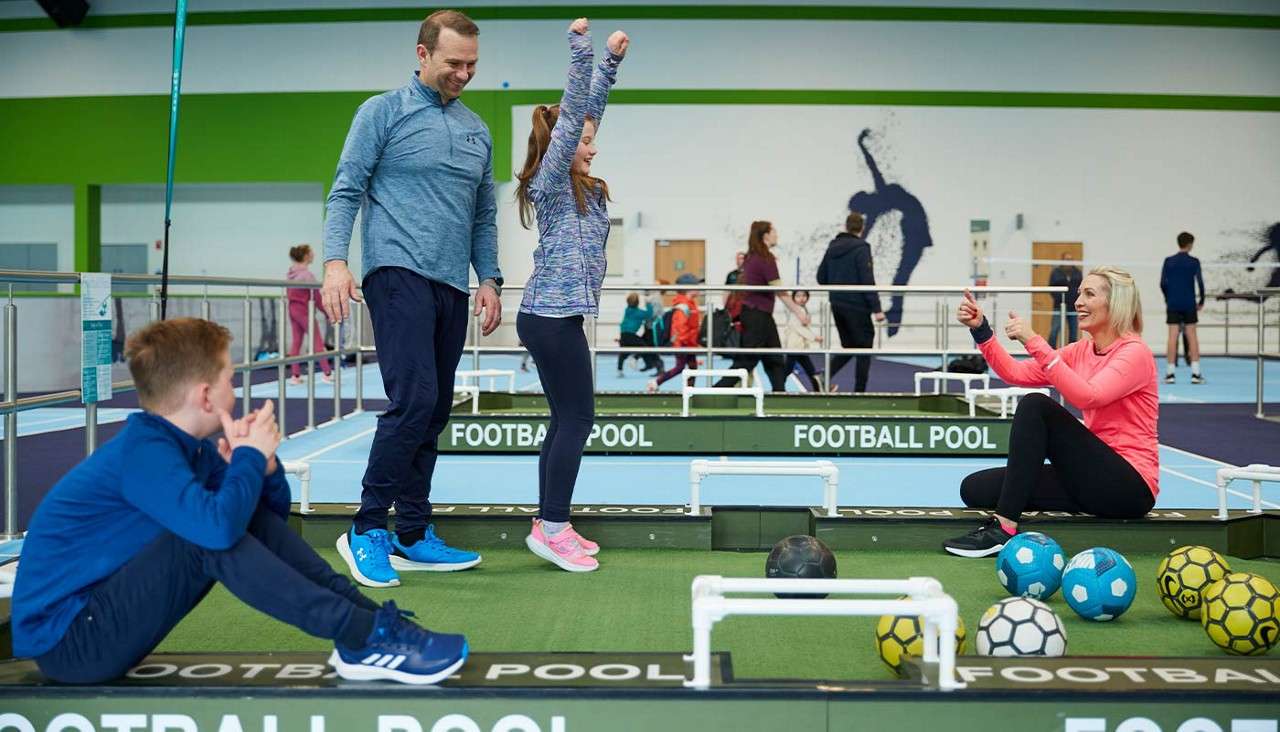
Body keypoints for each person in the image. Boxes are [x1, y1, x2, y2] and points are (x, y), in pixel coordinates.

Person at [10, 318, 468, 685]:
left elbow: (265, 521)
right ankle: (362, 634)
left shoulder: (187, 447)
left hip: (101, 619)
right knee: (205, 538)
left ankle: (370, 627)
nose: (237, 390)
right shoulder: (143, 452)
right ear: (206, 396)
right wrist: (247, 457)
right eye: (231, 379)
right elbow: (217, 535)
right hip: (70, 645)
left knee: (225, 522)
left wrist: (262, 469)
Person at [321, 9, 502, 588]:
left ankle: (413, 532)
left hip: (451, 285)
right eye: (454, 63)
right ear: (422, 54)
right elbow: (346, 189)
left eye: (472, 65)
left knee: (436, 407)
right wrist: (334, 262)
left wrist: (490, 277)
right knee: (414, 397)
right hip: (396, 273)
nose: (464, 74)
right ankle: (367, 528)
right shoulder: (381, 112)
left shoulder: (477, 129)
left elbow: (484, 215)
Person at [514, 17, 628, 572]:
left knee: (565, 420)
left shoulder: (581, 184)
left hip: (560, 316)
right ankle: (553, 526)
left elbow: (587, 113)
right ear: (560, 146)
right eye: (585, 143)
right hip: (548, 316)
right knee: (579, 418)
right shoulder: (553, 182)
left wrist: (611, 65)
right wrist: (582, 51)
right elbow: (574, 116)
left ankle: (549, 520)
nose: (593, 150)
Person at [942, 268, 1159, 557]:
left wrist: (1034, 341)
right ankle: (1008, 518)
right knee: (976, 489)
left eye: (1089, 294)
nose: (1078, 301)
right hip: (1089, 478)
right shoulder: (1081, 350)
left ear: (1115, 303)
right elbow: (1015, 373)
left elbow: (1089, 396)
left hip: (1129, 486)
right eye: (1080, 293)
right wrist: (982, 330)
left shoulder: (1135, 353)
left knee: (1036, 405)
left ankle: (1004, 528)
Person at [849, 129, 932, 336]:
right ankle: (894, 321)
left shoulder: (881, 195)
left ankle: (894, 322)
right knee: (900, 278)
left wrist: (862, 145)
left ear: (865, 200)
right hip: (914, 227)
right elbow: (864, 235)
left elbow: (872, 166)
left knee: (900, 278)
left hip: (915, 228)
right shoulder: (878, 205)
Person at [714, 221, 809, 392]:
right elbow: (779, 290)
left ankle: (779, 394)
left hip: (759, 315)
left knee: (774, 359)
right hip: (758, 316)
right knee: (747, 361)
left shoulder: (752, 257)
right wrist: (799, 311)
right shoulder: (765, 258)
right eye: (774, 231)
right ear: (765, 235)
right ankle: (712, 392)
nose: (776, 235)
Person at [817, 211, 885, 392]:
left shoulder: (832, 247)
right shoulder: (862, 248)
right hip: (857, 306)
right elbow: (867, 279)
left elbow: (821, 277)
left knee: (851, 346)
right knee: (864, 348)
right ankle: (859, 391)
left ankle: (825, 375)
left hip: (837, 305)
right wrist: (876, 308)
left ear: (846, 227)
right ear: (862, 228)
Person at [1160, 232, 1206, 384]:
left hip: (1173, 303)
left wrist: (1168, 299)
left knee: (1172, 336)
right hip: (1189, 303)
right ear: (1190, 244)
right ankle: (1196, 373)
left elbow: (1162, 283)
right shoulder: (1194, 262)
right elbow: (1200, 283)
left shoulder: (1168, 261)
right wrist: (1201, 301)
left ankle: (1170, 374)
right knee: (1192, 336)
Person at [286, 245, 334, 386]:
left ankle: (295, 375)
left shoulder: (291, 273)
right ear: (306, 256)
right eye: (311, 252)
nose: (314, 254)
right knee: (317, 341)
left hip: (292, 310)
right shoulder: (307, 275)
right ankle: (327, 374)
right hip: (303, 312)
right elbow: (317, 298)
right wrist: (327, 312)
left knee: (297, 342)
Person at [647, 278, 702, 392]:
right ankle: (656, 382)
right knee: (680, 367)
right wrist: (684, 345)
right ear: (688, 289)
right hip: (683, 344)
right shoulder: (683, 306)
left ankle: (689, 391)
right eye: (696, 285)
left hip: (689, 343)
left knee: (692, 368)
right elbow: (680, 329)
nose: (699, 288)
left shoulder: (690, 304)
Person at [782, 290, 824, 392]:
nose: (801, 298)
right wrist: (814, 337)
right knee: (788, 369)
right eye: (798, 296)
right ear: (793, 298)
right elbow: (799, 329)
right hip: (795, 346)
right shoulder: (797, 311)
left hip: (800, 346)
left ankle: (818, 389)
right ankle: (777, 385)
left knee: (809, 369)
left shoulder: (803, 310)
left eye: (804, 295)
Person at [618, 292, 662, 375]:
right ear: (638, 303)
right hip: (630, 334)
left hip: (623, 334)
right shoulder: (639, 313)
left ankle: (619, 370)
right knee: (643, 346)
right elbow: (649, 314)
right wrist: (648, 303)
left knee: (623, 352)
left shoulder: (627, 310)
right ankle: (635, 358)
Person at [1047, 252, 1082, 348]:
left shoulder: (1077, 272)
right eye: (1067, 260)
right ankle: (1050, 350)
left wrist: (1075, 299)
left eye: (1070, 260)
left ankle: (1072, 352)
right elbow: (1051, 288)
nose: (1069, 262)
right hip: (1059, 306)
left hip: (1073, 307)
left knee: (1073, 331)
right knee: (1054, 329)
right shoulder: (1056, 272)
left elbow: (1080, 288)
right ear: (1062, 261)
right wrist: (1060, 298)